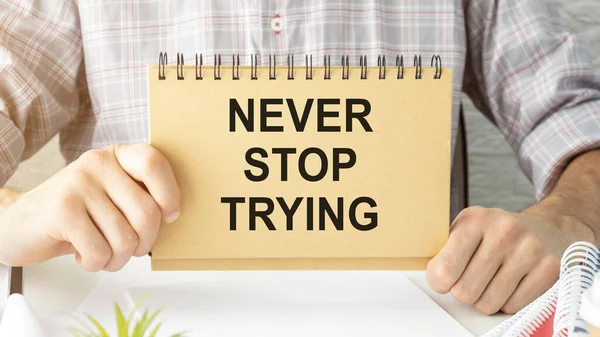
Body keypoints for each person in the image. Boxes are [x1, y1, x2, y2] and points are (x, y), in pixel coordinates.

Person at [0, 0, 599, 316]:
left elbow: (580, 114)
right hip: (145, 316)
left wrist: (566, 221)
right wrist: (15, 214)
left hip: (405, 319)